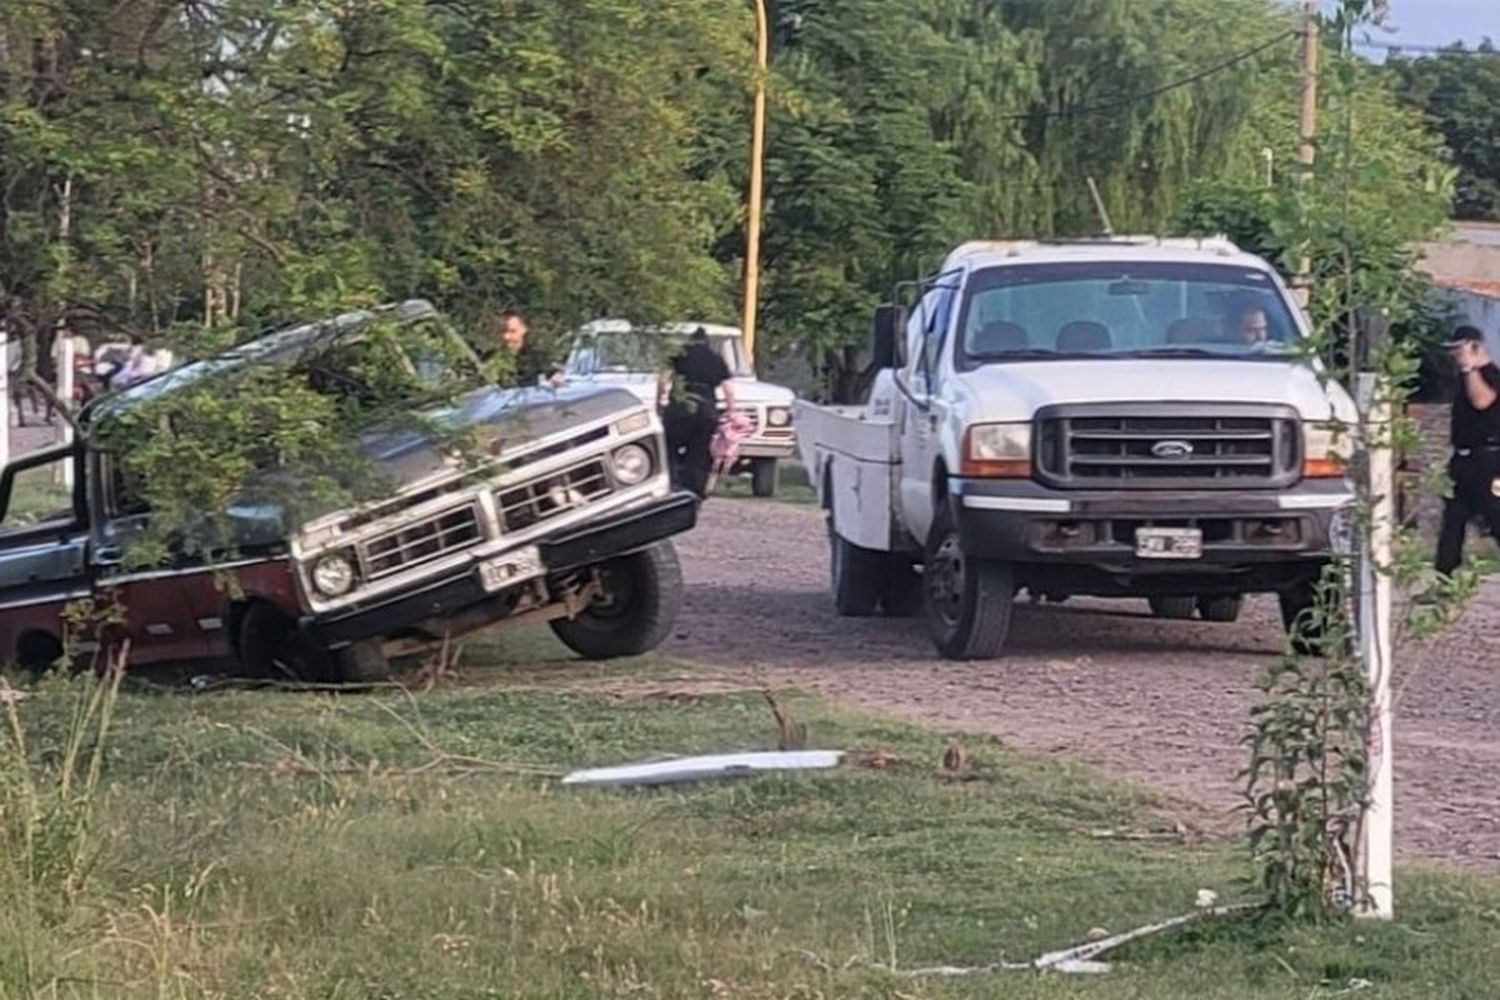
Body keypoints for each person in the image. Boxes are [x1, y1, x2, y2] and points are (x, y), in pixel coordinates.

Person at [1435, 325, 1500, 577]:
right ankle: (1444, 576)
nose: (1454, 356)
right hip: (1463, 460)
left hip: (1489, 460)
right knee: (1453, 521)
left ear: (1475, 346)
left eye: (1458, 349)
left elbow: (1482, 401)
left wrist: (1470, 367)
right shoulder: (1463, 379)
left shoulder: (1491, 376)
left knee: (1495, 515)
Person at [664, 327, 735, 499]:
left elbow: (663, 378)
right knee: (700, 450)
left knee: (670, 445)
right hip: (706, 408)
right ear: (707, 341)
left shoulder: (679, 355)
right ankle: (695, 488)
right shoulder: (716, 359)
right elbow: (728, 389)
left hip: (682, 405)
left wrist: (661, 400)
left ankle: (672, 483)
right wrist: (731, 410)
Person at [491, 309, 563, 388]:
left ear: (524, 330)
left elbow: (551, 372)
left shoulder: (535, 354)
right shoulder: (493, 357)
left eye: (512, 331)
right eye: (503, 332)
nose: (507, 337)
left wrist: (555, 378)